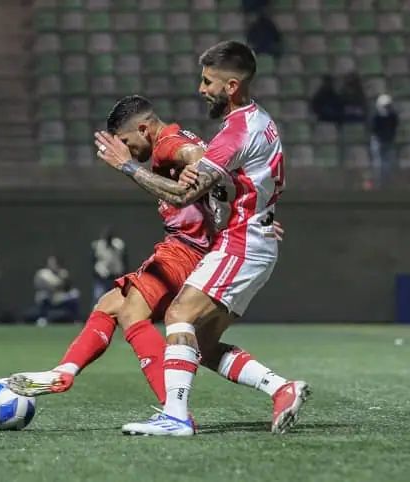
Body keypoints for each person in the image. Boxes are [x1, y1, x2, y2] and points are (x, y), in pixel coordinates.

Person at [8, 96, 292, 427]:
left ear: (144, 128)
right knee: (119, 307)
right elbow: (220, 179)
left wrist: (129, 165)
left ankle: (175, 412)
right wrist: (249, 216)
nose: (127, 150)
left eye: (128, 141)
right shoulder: (172, 145)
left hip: (188, 248)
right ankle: (65, 372)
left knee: (131, 311)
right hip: (190, 247)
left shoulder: (168, 144)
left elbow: (203, 162)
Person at [95, 41, 310, 436]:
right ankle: (283, 389)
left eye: (208, 81)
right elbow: (234, 184)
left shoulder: (236, 132)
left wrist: (125, 166)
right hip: (252, 237)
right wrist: (255, 212)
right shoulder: (259, 120)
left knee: (179, 316)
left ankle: (176, 417)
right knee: (205, 346)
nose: (201, 88)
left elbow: (181, 195)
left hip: (243, 241)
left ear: (231, 86)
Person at [33, 256, 80, 324]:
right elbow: (39, 285)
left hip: (59, 297)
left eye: (54, 263)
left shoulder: (62, 272)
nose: (52, 265)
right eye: (50, 263)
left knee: (75, 294)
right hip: (49, 296)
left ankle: (76, 319)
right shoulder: (43, 273)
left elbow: (67, 287)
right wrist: (56, 285)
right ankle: (43, 318)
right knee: (42, 295)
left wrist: (64, 280)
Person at [91, 227, 127, 307]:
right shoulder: (98, 246)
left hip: (116, 276)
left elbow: (124, 260)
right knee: (98, 297)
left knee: (117, 298)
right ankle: (95, 317)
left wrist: (123, 274)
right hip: (102, 277)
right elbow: (93, 260)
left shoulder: (119, 245)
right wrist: (96, 273)